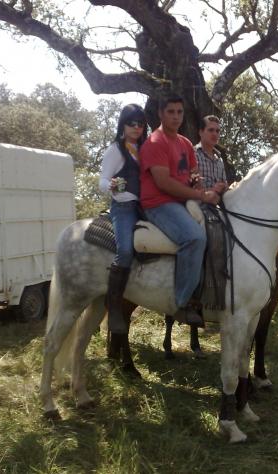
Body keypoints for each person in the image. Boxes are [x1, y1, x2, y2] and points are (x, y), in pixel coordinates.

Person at [139, 95, 219, 326]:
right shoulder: (155, 142)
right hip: (159, 203)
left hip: (183, 201)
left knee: (218, 229)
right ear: (160, 114)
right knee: (195, 238)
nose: (176, 117)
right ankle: (182, 303)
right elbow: (164, 183)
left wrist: (199, 185)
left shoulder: (184, 143)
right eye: (171, 112)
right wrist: (200, 195)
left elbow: (193, 174)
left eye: (179, 112)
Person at [98, 104, 148, 335]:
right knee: (125, 251)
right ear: (123, 125)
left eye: (140, 124)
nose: (136, 128)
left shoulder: (143, 148)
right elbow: (102, 180)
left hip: (145, 206)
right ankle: (114, 305)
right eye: (131, 123)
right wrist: (110, 185)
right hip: (123, 207)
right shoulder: (115, 150)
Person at [194, 115, 227, 196]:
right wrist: (213, 190)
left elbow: (224, 185)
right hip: (198, 202)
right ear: (201, 132)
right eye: (211, 130)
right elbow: (190, 188)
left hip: (218, 202)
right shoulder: (193, 154)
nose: (215, 134)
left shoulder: (219, 160)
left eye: (217, 131)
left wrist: (224, 187)